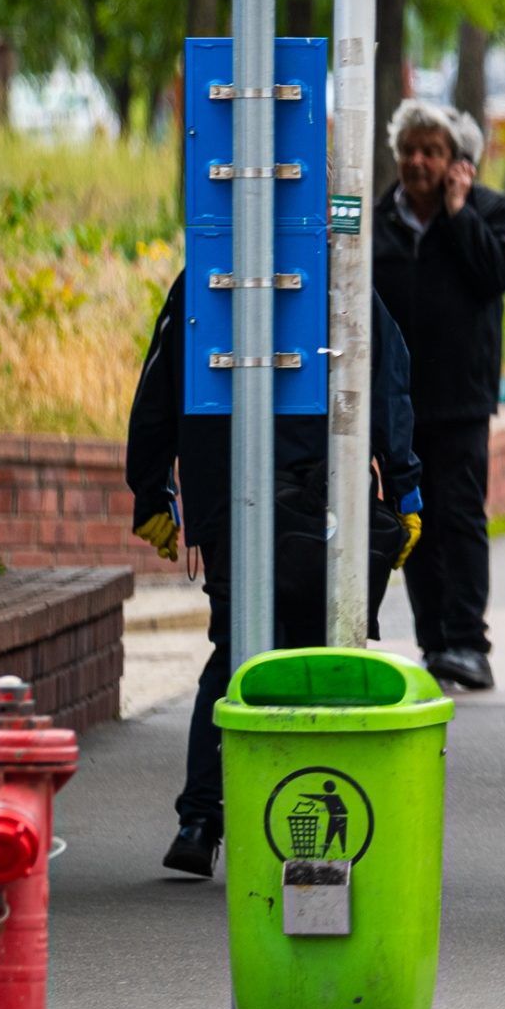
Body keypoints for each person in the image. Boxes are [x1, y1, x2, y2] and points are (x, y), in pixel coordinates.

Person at [126, 278, 423, 879]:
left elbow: (160, 384)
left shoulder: (206, 276)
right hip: (318, 498)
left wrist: (151, 488)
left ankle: (201, 820)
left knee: (238, 649)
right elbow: (385, 376)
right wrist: (405, 483)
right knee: (319, 652)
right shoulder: (343, 273)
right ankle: (301, 819)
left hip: (223, 491)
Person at [374, 99, 505, 694]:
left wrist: (461, 214)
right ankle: (434, 642)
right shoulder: (378, 218)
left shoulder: (494, 212)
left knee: (460, 518)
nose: (417, 161)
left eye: (431, 151)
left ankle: (469, 642)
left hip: (461, 400)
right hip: (399, 403)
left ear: (457, 162)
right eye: (410, 150)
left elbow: (501, 272)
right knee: (413, 520)